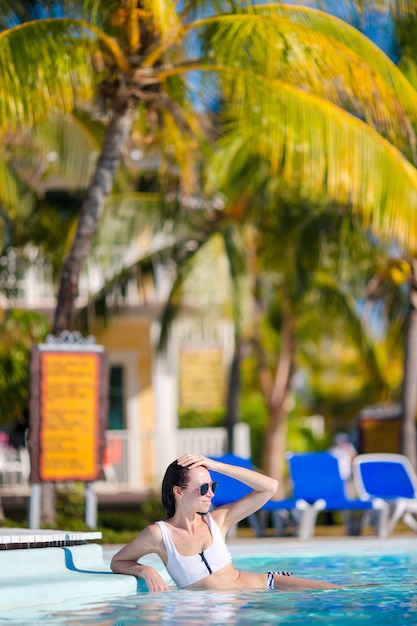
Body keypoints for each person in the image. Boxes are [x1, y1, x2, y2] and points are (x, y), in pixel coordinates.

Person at [111, 453, 342, 591]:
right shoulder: (159, 535)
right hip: (222, 612)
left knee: (338, 592)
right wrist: (146, 570)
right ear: (178, 492)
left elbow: (269, 487)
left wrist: (215, 465)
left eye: (213, 486)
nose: (210, 493)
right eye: (203, 488)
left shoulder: (218, 521)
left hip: (267, 586)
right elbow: (119, 561)